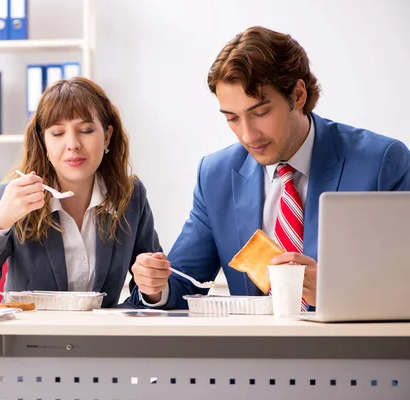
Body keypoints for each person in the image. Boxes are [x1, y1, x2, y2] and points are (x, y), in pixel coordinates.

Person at [128, 26, 410, 310]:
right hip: (254, 351)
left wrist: (335, 291)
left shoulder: (382, 162)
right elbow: (183, 283)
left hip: (356, 350)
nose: (248, 135)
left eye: (260, 113)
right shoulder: (216, 176)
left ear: (298, 95)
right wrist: (155, 285)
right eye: (232, 118)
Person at [0, 76, 162, 308]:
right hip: (29, 340)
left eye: (85, 130)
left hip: (101, 341)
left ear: (107, 135)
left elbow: (150, 292)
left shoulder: (130, 196)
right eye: (57, 133)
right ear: (43, 142)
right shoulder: (12, 198)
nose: (72, 144)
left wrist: (153, 290)